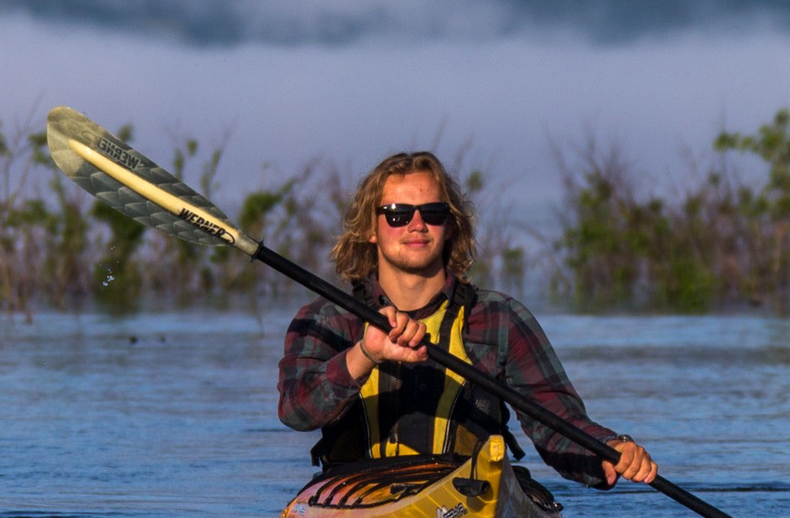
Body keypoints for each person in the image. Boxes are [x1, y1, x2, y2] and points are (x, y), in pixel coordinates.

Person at [277, 150, 657, 488]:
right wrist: (365, 354)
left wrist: (608, 448)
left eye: (433, 213)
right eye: (396, 214)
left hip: (472, 500)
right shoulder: (325, 319)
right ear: (368, 229)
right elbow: (296, 410)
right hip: (357, 498)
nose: (416, 225)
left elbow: (556, 421)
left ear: (450, 225)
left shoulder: (500, 318)